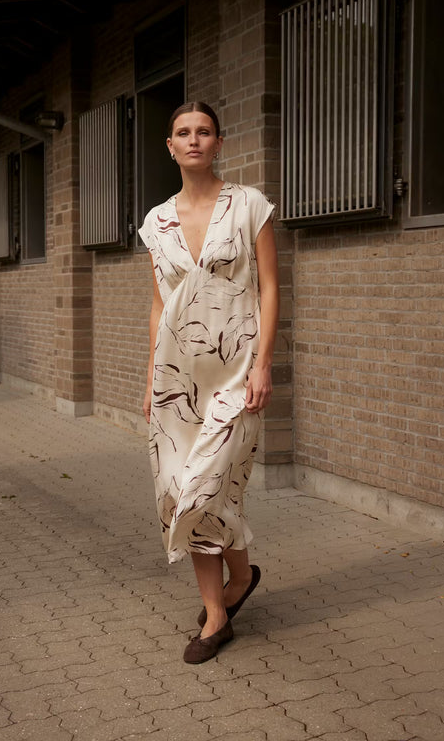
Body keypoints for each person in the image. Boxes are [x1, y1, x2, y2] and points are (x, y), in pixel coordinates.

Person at [138, 101, 279, 664]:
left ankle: (227, 599)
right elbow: (159, 305)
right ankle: (225, 596)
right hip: (175, 379)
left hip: (236, 372)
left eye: (204, 132)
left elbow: (270, 287)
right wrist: (150, 377)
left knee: (209, 486)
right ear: (170, 146)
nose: (193, 140)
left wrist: (264, 364)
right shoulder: (156, 222)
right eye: (183, 132)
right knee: (185, 491)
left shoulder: (249, 205)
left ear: (219, 143)